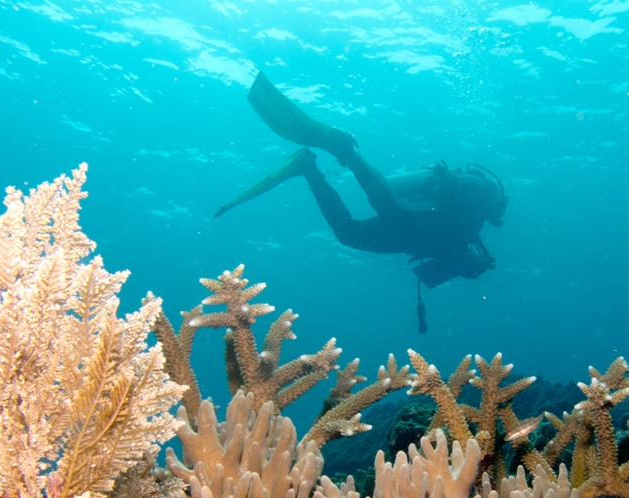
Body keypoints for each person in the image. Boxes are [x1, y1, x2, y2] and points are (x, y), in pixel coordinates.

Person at [215, 73, 508, 331]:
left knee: (348, 234)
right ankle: (344, 150)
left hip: (408, 236)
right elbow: (458, 194)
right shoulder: (481, 192)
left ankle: (308, 168)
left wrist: (469, 265)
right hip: (419, 219)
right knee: (391, 207)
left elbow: (447, 253)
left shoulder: (473, 230)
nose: (500, 216)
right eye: (501, 208)